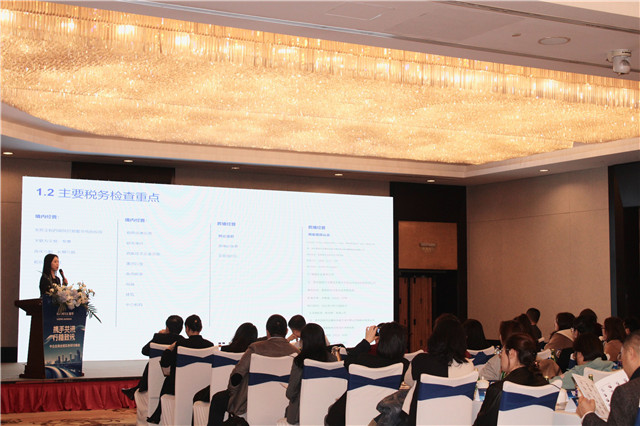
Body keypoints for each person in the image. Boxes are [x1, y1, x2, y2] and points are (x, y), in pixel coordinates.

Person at [208, 314, 299, 425]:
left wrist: (233, 393)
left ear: (267, 332)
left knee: (218, 399)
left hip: (252, 403)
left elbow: (237, 376)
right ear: (286, 331)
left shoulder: (255, 348)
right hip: (286, 405)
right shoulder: (296, 353)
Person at [325, 322, 409, 426]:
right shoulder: (403, 365)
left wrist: (367, 341)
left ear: (380, 342)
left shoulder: (363, 360)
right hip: (382, 418)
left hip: (348, 417)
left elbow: (347, 361)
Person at [405, 315, 474, 424]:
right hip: (455, 420)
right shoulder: (468, 366)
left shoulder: (421, 360)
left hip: (424, 419)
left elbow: (408, 381)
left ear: (434, 338)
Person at [147, 314, 213, 424]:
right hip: (202, 387)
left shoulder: (181, 344)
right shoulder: (210, 345)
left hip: (180, 387)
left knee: (169, 379)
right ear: (201, 328)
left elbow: (165, 363)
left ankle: (157, 414)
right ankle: (156, 414)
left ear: (186, 328)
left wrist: (169, 348)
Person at [473, 333, 548, 426]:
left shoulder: (499, 390)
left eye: (502, 352)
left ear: (512, 353)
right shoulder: (544, 384)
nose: (500, 356)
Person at [577, 330, 640, 425]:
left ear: (631, 353)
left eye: (621, 354)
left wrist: (587, 414)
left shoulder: (626, 392)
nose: (622, 361)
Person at [192, 322, 258, 405]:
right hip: (243, 394)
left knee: (197, 397)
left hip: (220, 391)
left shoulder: (224, 350)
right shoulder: (253, 355)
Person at [121, 315, 184, 400]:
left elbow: (144, 351)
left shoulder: (158, 338)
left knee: (150, 363)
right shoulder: (182, 341)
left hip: (154, 376)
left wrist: (160, 334)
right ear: (182, 328)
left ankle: (138, 388)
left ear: (167, 328)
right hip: (174, 379)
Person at [284, 323, 336, 425]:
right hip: (326, 413)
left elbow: (290, 393)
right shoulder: (333, 360)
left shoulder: (299, 361)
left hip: (300, 415)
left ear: (303, 341)